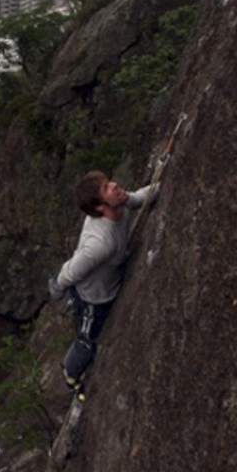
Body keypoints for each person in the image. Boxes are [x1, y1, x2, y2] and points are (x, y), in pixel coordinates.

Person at [48, 170, 153, 400]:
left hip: (109, 281)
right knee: (88, 340)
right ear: (99, 207)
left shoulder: (121, 204)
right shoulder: (100, 243)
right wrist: (58, 287)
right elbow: (71, 270)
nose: (115, 186)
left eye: (109, 182)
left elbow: (138, 197)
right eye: (107, 188)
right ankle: (71, 373)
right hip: (93, 297)